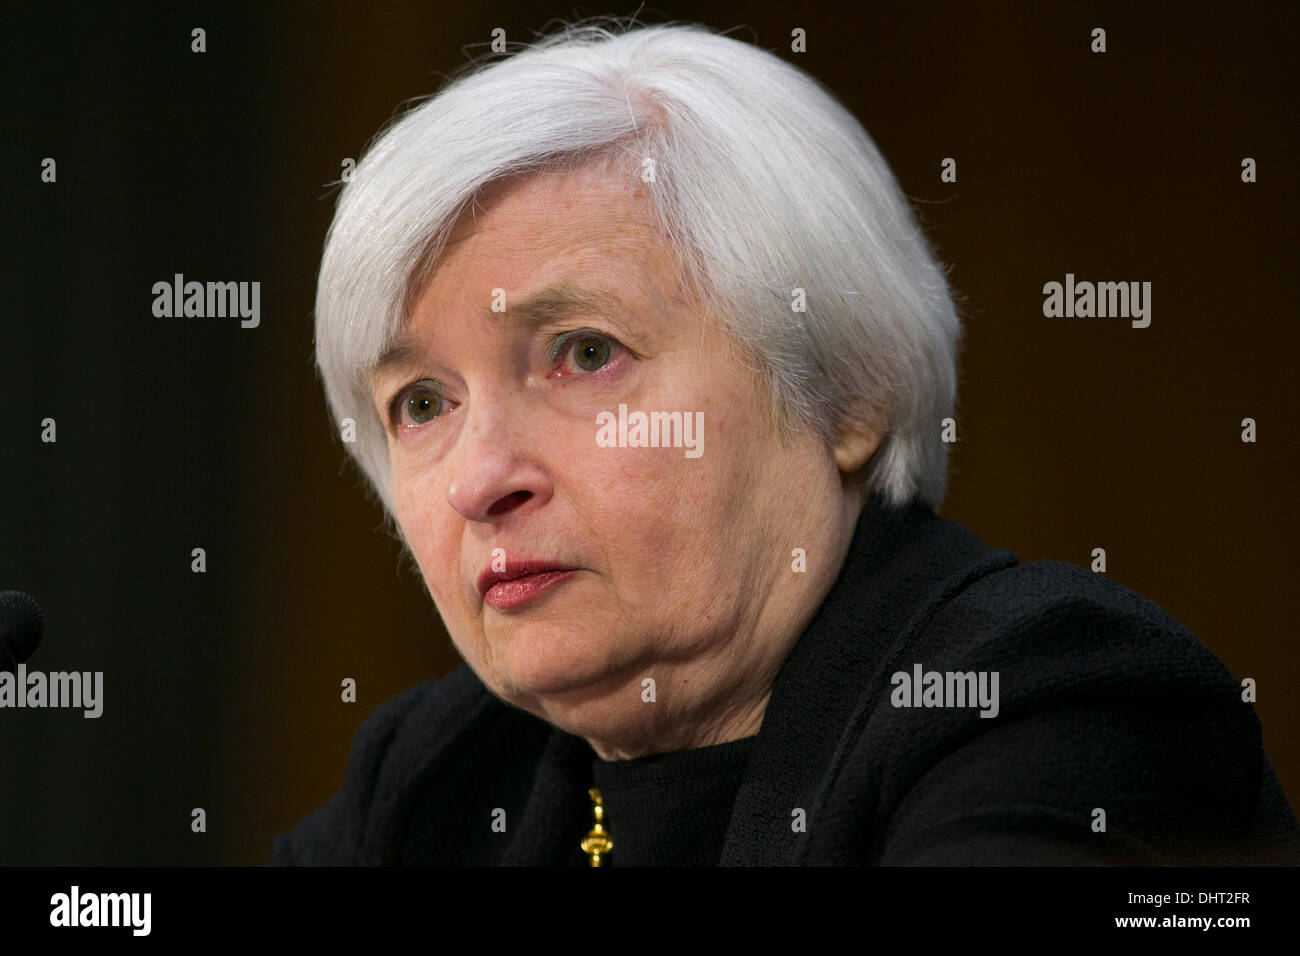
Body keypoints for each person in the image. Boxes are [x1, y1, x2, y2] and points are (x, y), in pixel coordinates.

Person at [271, 20, 1300, 865]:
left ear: (845, 393)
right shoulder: (437, 775)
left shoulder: (1053, 700)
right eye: (419, 402)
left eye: (585, 352)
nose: (478, 478)